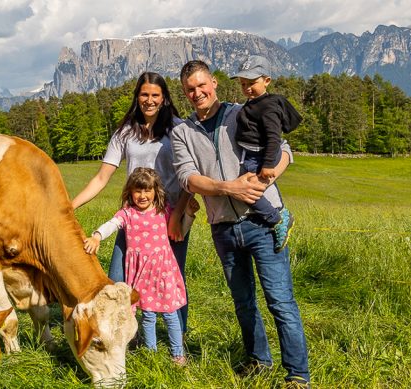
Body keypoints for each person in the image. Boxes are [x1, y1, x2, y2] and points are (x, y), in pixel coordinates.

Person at [171, 60, 310, 388]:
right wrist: (228, 188)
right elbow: (188, 178)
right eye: (190, 89)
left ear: (214, 83)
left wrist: (269, 176)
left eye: (202, 85)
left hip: (263, 222)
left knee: (279, 299)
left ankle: (297, 375)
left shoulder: (242, 112)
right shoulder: (182, 132)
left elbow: (284, 149)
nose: (197, 93)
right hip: (223, 227)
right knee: (243, 301)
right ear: (184, 92)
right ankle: (259, 361)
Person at [71, 72, 195, 333]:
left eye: (155, 95)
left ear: (164, 99)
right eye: (144, 94)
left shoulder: (178, 129)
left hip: (169, 217)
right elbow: (102, 176)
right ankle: (126, 338)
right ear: (137, 97)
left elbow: (189, 176)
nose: (149, 100)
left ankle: (178, 339)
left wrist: (178, 215)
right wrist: (70, 206)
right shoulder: (125, 132)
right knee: (119, 280)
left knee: (171, 278)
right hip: (134, 218)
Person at [83, 167, 187, 365]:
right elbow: (111, 224)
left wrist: (189, 213)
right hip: (141, 275)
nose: (142, 195)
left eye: (147, 190)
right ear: (130, 192)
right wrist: (97, 235)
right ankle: (151, 354)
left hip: (162, 272)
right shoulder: (127, 214)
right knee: (147, 315)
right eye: (138, 191)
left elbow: (181, 227)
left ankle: (178, 354)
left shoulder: (164, 211)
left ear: (155, 191)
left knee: (170, 314)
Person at [230, 55, 301, 252]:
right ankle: (276, 216)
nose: (247, 88)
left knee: (248, 192)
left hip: (260, 157)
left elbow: (273, 137)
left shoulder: (268, 107)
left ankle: (278, 218)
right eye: (243, 84)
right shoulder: (254, 102)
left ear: (267, 80)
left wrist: (268, 165)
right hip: (252, 155)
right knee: (246, 189)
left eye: (252, 83)